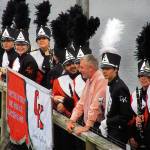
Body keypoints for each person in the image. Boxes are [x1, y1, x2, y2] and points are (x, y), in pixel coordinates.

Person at [99, 18, 133, 147]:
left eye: (107, 69)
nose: (104, 72)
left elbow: (126, 116)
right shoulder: (111, 84)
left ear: (116, 69)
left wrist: (107, 122)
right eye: (103, 68)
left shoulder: (120, 88)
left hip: (118, 133)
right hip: (111, 130)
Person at [67, 54, 107, 135]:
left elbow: (96, 106)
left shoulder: (101, 80)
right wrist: (72, 120)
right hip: (90, 124)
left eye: (82, 67)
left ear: (91, 68)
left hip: (98, 126)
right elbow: (81, 103)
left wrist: (87, 126)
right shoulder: (89, 79)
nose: (79, 70)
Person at [129, 23, 150, 149]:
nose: (143, 79)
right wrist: (131, 137)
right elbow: (129, 119)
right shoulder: (134, 95)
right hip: (138, 143)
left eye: (147, 75)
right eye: (141, 76)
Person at [31, 1, 53, 87]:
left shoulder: (54, 55)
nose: (41, 40)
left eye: (44, 38)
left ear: (49, 40)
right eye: (39, 39)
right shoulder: (32, 55)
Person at [52, 50, 79, 117]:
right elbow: (54, 99)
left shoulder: (86, 78)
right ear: (64, 68)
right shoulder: (58, 81)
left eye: (74, 63)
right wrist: (63, 102)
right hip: (67, 117)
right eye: (68, 65)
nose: (72, 66)